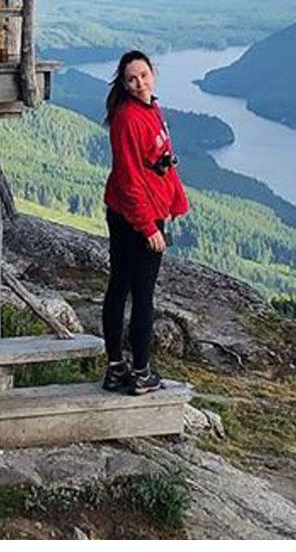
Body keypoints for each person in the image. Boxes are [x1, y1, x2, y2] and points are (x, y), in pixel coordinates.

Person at [102, 49, 189, 394]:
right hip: (136, 217)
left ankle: (116, 369)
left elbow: (162, 162)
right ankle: (140, 372)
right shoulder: (127, 119)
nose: (139, 83)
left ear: (153, 72)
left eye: (143, 75)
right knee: (141, 295)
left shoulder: (151, 108)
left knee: (121, 287)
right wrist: (149, 227)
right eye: (132, 79)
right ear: (123, 84)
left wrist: (175, 201)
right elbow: (129, 179)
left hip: (140, 210)